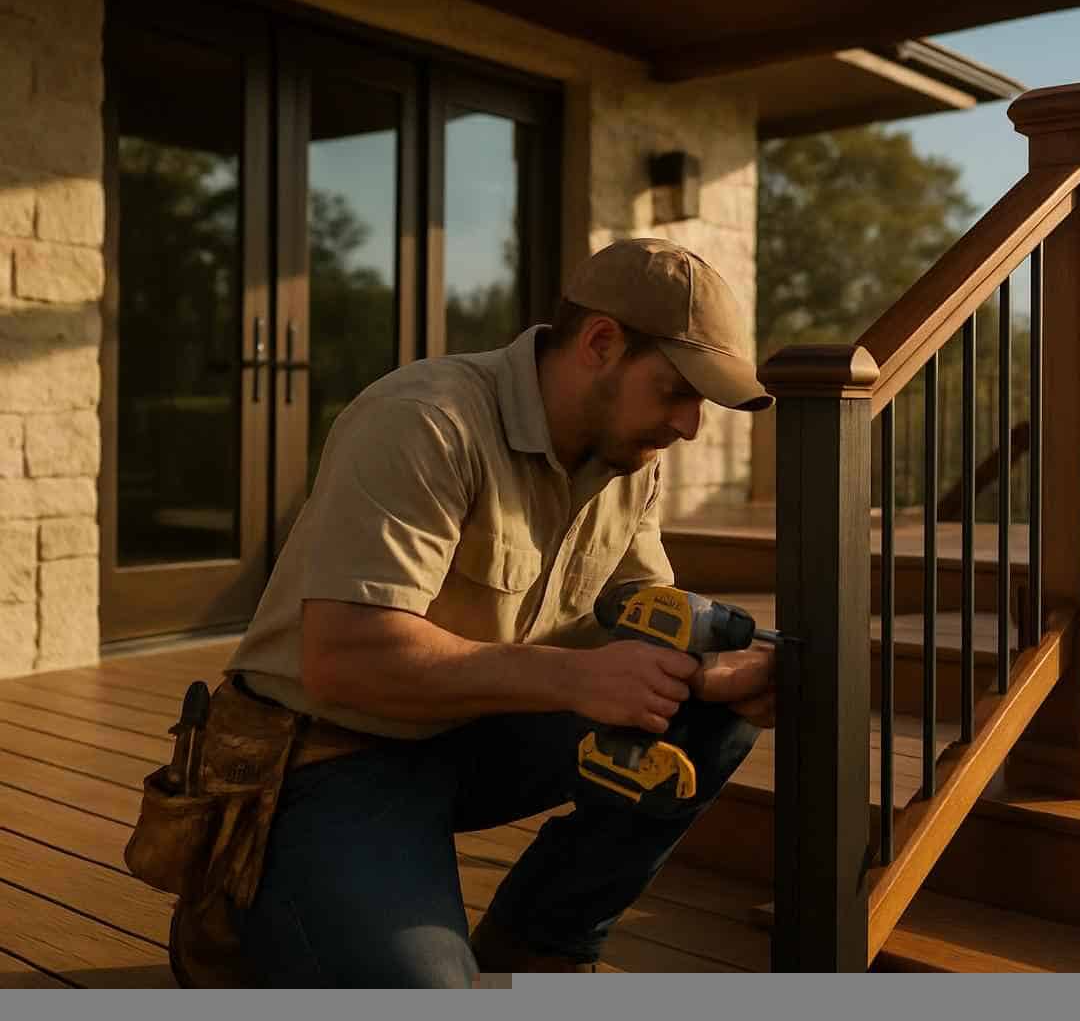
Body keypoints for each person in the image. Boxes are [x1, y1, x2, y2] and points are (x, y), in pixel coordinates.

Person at [217, 237, 778, 986]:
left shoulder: (625, 458)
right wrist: (571, 680)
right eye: (677, 391)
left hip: (477, 732)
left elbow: (644, 611)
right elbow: (343, 658)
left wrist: (732, 666)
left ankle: (541, 944)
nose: (689, 426)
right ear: (601, 344)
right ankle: (241, 902)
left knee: (710, 719)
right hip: (327, 754)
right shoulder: (424, 420)